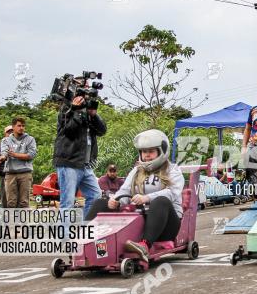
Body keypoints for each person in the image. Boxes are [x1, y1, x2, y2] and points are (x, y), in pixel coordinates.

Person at [86, 130, 184, 263]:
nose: (147, 155)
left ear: (162, 151)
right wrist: (116, 200)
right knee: (101, 202)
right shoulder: (137, 171)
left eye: (151, 151)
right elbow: (125, 189)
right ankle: (82, 240)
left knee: (161, 201)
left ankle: (144, 245)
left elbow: (172, 192)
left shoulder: (173, 170)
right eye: (144, 152)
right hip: (140, 221)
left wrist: (147, 198)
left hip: (167, 224)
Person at [53, 89, 107, 218]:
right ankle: (64, 237)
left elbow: (102, 130)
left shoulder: (88, 112)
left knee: (95, 196)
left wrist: (94, 115)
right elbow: (69, 131)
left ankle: (84, 231)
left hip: (85, 164)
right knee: (68, 201)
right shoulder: (66, 108)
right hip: (69, 162)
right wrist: (76, 111)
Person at [0, 117, 37, 208]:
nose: (21, 128)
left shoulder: (30, 139)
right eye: (19, 125)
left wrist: (15, 155)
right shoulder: (5, 140)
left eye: (23, 126)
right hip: (10, 173)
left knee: (24, 202)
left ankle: (23, 222)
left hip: (25, 173)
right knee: (11, 202)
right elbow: (4, 153)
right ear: (13, 127)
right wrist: (2, 158)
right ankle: (12, 222)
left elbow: (31, 155)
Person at [0, 125, 12, 202]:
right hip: (4, 173)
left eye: (12, 131)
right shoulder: (2, 143)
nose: (10, 133)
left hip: (16, 172)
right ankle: (5, 212)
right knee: (4, 194)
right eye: (8, 132)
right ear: (5, 133)